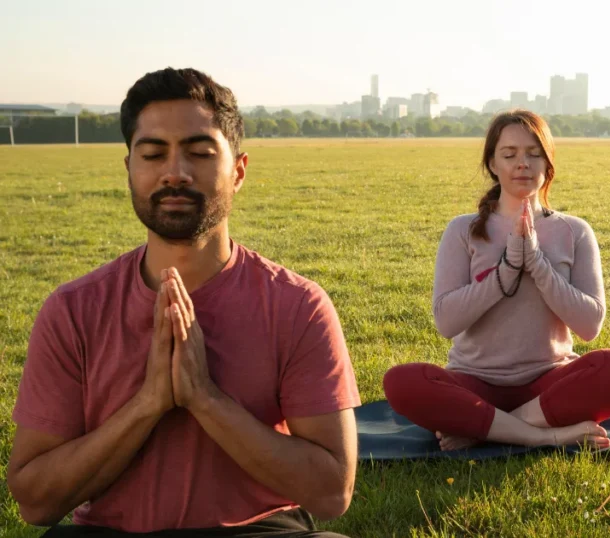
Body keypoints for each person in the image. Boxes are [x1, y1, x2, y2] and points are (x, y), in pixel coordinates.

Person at [7, 68, 360, 537]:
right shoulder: (73, 311)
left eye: (199, 153)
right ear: (129, 168)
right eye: (153, 154)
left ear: (238, 171)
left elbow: (331, 492)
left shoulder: (297, 306)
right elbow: (34, 501)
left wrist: (206, 400)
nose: (175, 172)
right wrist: (148, 405)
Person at [383, 109, 610, 451]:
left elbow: (589, 325)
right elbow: (446, 322)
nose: (522, 163)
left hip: (548, 383)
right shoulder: (462, 230)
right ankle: (542, 434)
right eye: (510, 155)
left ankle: (485, 427)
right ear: (493, 163)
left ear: (548, 164)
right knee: (403, 382)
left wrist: (537, 262)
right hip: (474, 383)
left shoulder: (574, 231)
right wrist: (506, 268)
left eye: (533, 154)